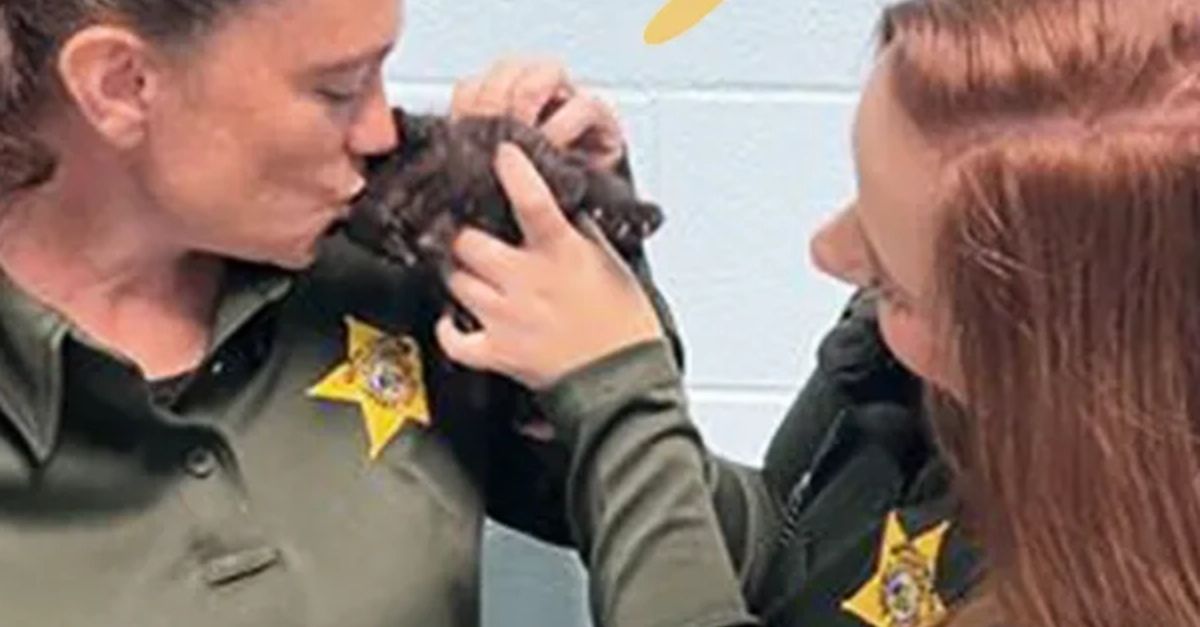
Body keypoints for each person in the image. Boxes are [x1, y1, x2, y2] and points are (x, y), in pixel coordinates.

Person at [437, 0, 1200, 625]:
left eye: (895, 280)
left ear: (1061, 362)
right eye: (859, 201)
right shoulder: (929, 388)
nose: (826, 250)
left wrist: (620, 394)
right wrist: (593, 241)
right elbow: (790, 545)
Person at [0, 0, 755, 625]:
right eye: (337, 89)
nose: (381, 131)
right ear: (120, 84)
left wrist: (580, 241)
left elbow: (710, 539)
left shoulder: (386, 259)